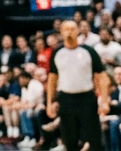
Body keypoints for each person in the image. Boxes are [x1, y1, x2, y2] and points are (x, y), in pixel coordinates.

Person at [46, 20, 109, 151]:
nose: (69, 32)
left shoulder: (89, 51)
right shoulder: (57, 53)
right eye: (66, 29)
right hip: (66, 99)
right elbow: (52, 79)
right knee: (69, 140)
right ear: (61, 33)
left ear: (78, 31)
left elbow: (102, 77)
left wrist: (104, 101)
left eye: (72, 29)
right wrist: (49, 102)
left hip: (86, 98)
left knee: (94, 138)